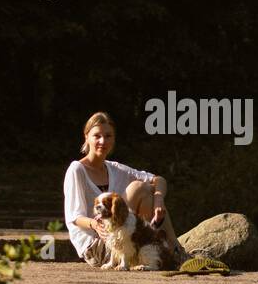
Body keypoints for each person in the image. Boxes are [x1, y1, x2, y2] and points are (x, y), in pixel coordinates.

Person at [63, 111, 188, 267]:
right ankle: (175, 252)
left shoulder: (115, 168)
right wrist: (95, 224)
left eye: (108, 136)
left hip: (125, 242)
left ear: (114, 139)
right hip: (97, 246)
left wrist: (159, 200)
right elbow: (74, 217)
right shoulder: (77, 169)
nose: (103, 141)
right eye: (97, 136)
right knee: (139, 187)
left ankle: (175, 250)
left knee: (149, 193)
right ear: (86, 136)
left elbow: (159, 180)